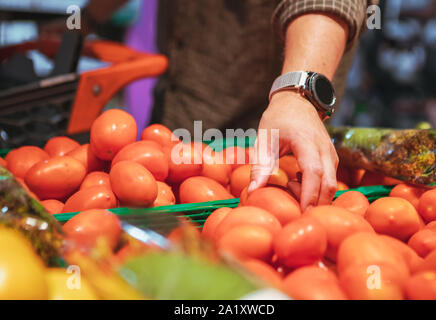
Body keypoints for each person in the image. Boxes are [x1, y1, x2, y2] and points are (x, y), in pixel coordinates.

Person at [41, 0, 376, 212]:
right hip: (183, 100)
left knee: (259, 183)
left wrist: (297, 91)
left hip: (264, 118)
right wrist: (82, 23)